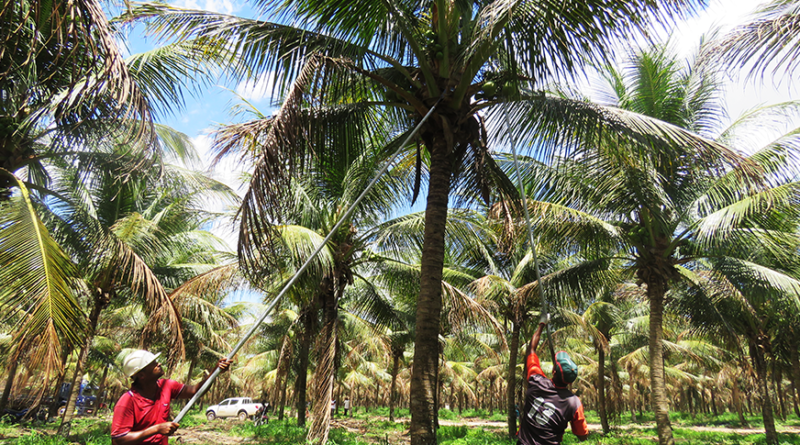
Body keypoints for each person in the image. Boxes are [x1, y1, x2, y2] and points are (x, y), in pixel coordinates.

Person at [111, 350, 232, 445]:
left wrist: (215, 372)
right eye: (152, 364)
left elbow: (195, 391)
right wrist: (156, 429)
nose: (158, 364)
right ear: (141, 375)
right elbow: (118, 439)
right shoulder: (128, 401)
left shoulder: (166, 386)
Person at [518, 314, 589, 445]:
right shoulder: (573, 403)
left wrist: (541, 325)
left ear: (553, 371)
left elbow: (531, 349)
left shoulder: (536, 381)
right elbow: (582, 435)